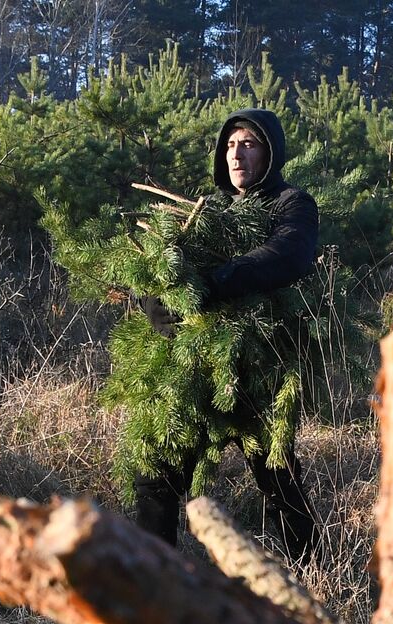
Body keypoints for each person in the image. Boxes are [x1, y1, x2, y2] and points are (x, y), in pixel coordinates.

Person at [132, 108, 320, 561]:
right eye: (230, 145)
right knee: (156, 472)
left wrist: (213, 284)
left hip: (260, 364)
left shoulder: (292, 203)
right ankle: (156, 584)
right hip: (196, 365)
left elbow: (285, 255)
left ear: (269, 152)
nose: (236, 154)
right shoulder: (206, 211)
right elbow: (160, 265)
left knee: (275, 474)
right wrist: (156, 306)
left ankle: (314, 574)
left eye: (249, 144)